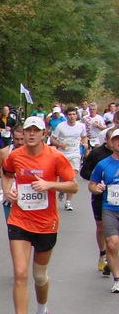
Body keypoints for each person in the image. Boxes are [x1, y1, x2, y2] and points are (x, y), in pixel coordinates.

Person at [1, 117, 79, 314]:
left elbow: (73, 184)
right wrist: (8, 191)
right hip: (20, 220)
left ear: (44, 133)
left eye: (36, 130)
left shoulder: (55, 156)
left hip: (46, 223)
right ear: (23, 134)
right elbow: (6, 174)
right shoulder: (15, 155)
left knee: (38, 276)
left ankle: (42, 313)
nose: (32, 134)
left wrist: (50, 185)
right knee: (20, 273)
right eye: (28, 131)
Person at [87, 128, 119, 293]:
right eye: (117, 139)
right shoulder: (103, 164)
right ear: (111, 143)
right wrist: (97, 188)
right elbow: (91, 184)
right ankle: (117, 279)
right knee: (112, 245)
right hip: (110, 209)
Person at [79, 129, 114, 276]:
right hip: (100, 195)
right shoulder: (98, 154)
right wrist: (98, 180)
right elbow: (84, 171)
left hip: (115, 198)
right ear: (107, 140)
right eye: (113, 139)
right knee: (101, 227)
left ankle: (113, 258)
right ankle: (103, 254)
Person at [51, 108, 87, 212]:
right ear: (66, 116)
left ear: (77, 115)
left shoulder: (81, 126)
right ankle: (63, 188)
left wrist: (84, 143)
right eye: (70, 114)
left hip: (75, 154)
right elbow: (53, 139)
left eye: (74, 114)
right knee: (63, 177)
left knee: (71, 177)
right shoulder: (60, 126)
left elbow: (84, 137)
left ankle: (68, 202)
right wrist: (60, 144)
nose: (72, 116)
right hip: (63, 154)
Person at [0, 126, 25, 220]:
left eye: (22, 139)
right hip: (10, 199)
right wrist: (5, 174)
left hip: (29, 199)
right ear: (12, 137)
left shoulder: (33, 152)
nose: (20, 142)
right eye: (17, 139)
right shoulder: (4, 152)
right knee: (12, 230)